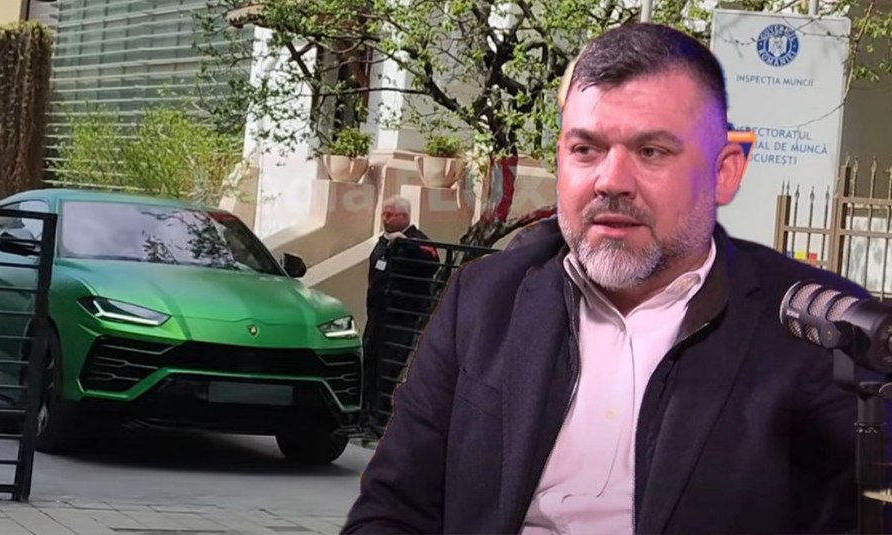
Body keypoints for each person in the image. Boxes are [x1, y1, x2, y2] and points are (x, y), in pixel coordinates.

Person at [343, 23, 867, 534]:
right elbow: (391, 510)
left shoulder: (817, 330)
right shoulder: (484, 299)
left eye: (651, 151)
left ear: (724, 171)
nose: (611, 181)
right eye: (586, 150)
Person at [361, 195, 439, 433]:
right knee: (370, 365)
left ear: (404, 216)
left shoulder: (418, 241)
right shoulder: (383, 242)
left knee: (390, 369)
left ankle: (381, 419)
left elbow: (431, 262)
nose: (384, 219)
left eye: (389, 214)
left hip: (401, 317)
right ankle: (365, 416)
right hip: (378, 316)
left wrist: (405, 245)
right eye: (383, 214)